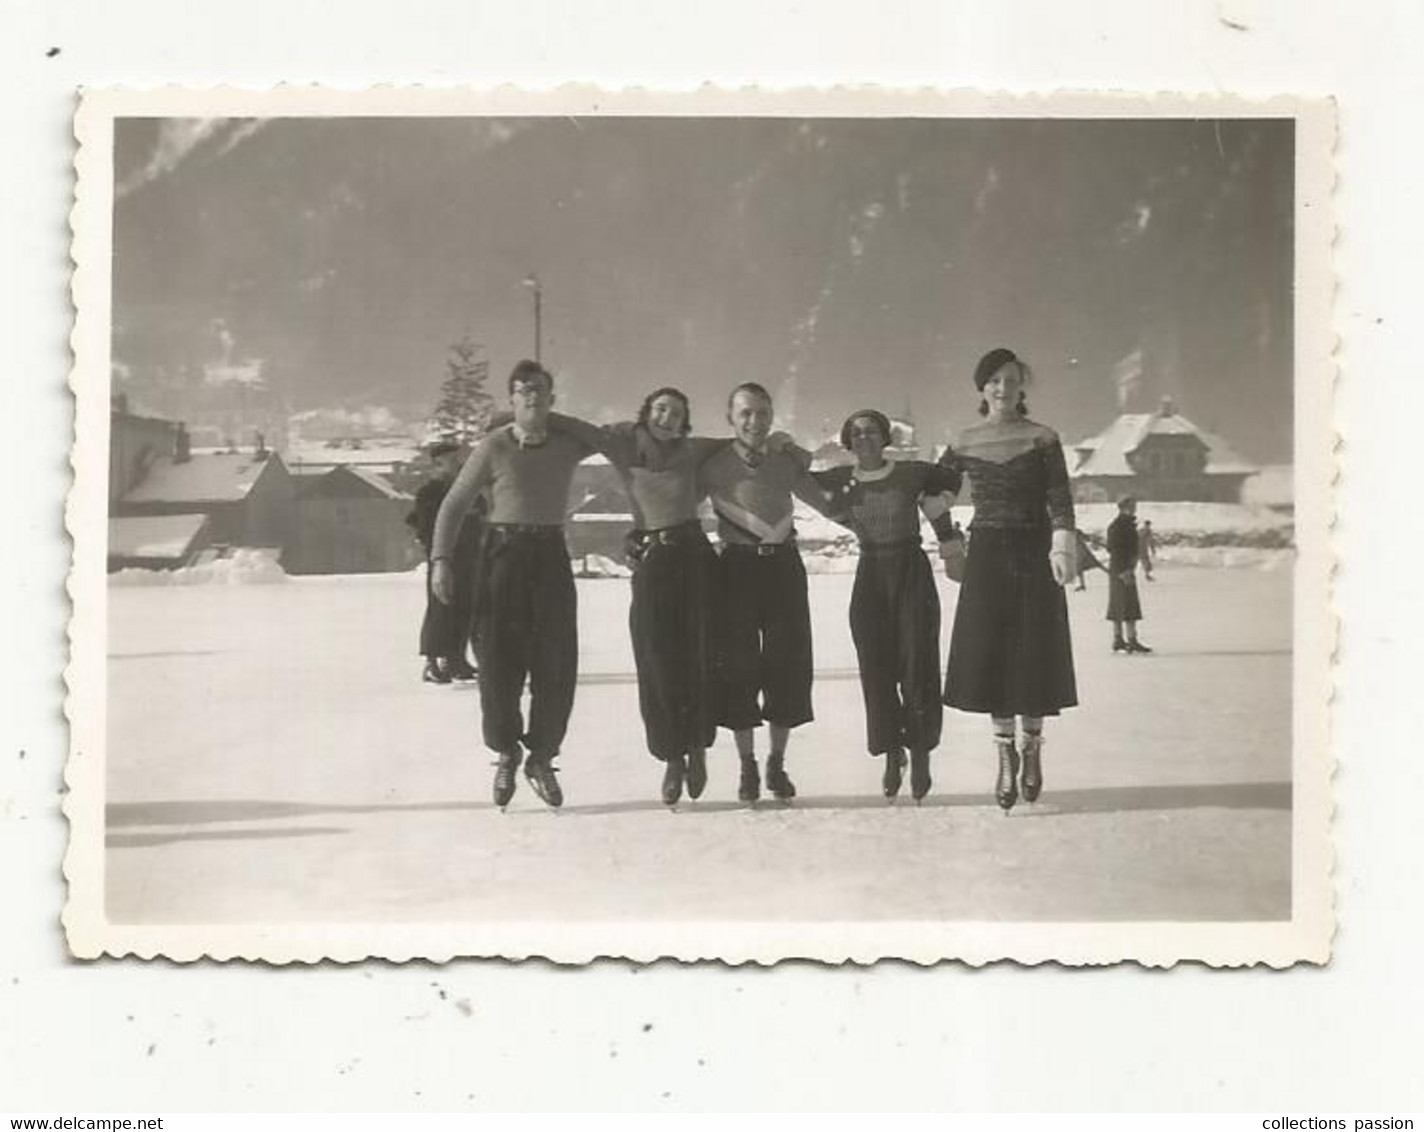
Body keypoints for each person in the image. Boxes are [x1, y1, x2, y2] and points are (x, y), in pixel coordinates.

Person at [539, 389, 721, 807]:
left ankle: (696, 746)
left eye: (677, 413)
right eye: (660, 409)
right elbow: (575, 426)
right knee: (655, 656)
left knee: (699, 653)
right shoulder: (622, 443)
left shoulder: (693, 450)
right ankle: (671, 755)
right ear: (646, 412)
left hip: (695, 556)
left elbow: (741, 444)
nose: (668, 418)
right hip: (654, 559)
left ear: (685, 422)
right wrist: (512, 418)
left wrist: (782, 444)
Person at [430, 360, 597, 810]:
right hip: (503, 558)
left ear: (553, 397)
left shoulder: (566, 444)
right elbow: (453, 505)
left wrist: (549, 419)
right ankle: (507, 750)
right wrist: (440, 561)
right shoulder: (493, 446)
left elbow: (605, 435)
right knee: (499, 663)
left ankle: (541, 756)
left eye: (540, 390)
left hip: (550, 558)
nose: (532, 396)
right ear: (510, 398)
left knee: (556, 663)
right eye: (523, 391)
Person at [935, 347, 1079, 812]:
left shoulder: (1042, 438)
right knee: (994, 654)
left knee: (1033, 651)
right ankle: (1003, 754)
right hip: (988, 555)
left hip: (1035, 552)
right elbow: (934, 496)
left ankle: (1032, 746)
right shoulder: (963, 440)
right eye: (994, 380)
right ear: (983, 388)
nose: (1003, 388)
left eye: (1012, 380)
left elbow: (1060, 497)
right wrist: (950, 544)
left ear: (1022, 388)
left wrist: (1061, 545)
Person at [811, 410, 960, 802]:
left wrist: (946, 531)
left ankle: (921, 752)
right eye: (856, 433)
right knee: (877, 669)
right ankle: (892, 753)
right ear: (847, 440)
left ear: (885, 437)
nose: (865, 439)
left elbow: (952, 474)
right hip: (871, 573)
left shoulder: (911, 472)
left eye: (872, 432)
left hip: (911, 569)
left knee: (918, 665)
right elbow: (798, 479)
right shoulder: (842, 479)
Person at [698, 382, 831, 805]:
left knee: (787, 665)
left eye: (763, 413)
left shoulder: (784, 461)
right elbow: (673, 502)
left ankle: (776, 761)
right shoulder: (713, 464)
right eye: (746, 413)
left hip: (784, 569)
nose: (755, 421)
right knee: (738, 667)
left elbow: (828, 502)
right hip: (735, 570)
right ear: (730, 418)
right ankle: (747, 765)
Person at [407, 442, 482, 684]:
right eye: (452, 459)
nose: (458, 463)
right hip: (444, 557)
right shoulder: (430, 492)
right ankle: (432, 662)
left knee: (465, 606)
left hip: (468, 555)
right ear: (438, 464)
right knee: (441, 607)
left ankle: (456, 659)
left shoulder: (466, 489)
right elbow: (426, 525)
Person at [1107, 496, 1152, 654]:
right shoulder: (1118, 525)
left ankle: (1123, 639)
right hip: (1121, 570)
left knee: (1126, 604)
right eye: (1132, 506)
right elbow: (1114, 549)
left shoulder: (1127, 524)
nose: (1134, 508)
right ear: (1123, 507)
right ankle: (1124, 640)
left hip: (1125, 569)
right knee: (1123, 604)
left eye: (1135, 505)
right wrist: (1124, 570)